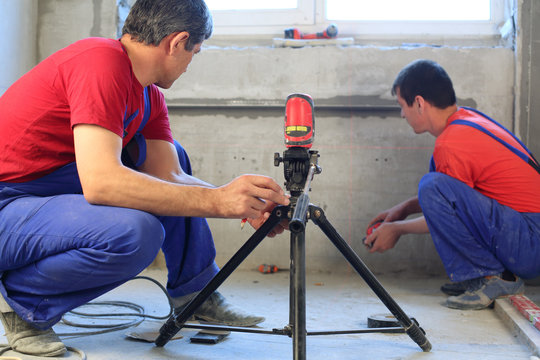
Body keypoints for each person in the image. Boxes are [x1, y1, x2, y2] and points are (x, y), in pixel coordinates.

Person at [0, 0, 289, 357]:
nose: (189, 65)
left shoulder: (148, 93)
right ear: (176, 42)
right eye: (194, 52)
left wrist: (242, 202)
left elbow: (169, 176)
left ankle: (194, 294)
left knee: (170, 156)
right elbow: (102, 182)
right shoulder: (99, 62)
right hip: (8, 203)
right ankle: (22, 303)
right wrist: (218, 201)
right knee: (134, 234)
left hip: (43, 195)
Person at [364, 59, 540, 311]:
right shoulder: (466, 120)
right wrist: (404, 208)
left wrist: (397, 229)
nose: (402, 114)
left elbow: (445, 208)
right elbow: (457, 199)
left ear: (419, 103)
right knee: (433, 187)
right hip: (526, 232)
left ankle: (493, 277)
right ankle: (479, 275)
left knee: (431, 186)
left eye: (402, 106)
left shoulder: (451, 143)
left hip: (530, 241)